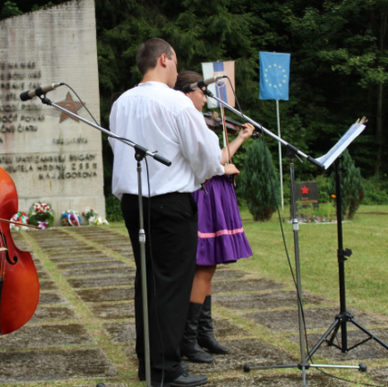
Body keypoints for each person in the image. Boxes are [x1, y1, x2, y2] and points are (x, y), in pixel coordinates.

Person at [109, 38, 235, 387]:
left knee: (146, 280)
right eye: (176, 63)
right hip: (170, 202)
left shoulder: (121, 103)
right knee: (171, 284)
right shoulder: (177, 102)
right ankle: (165, 369)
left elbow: (116, 148)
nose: (178, 71)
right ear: (164, 59)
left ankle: (147, 362)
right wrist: (199, 172)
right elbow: (207, 158)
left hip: (133, 203)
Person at [174, 71, 253, 363]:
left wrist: (241, 138)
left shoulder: (200, 121)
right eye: (202, 92)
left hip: (216, 193)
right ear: (188, 92)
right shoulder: (187, 119)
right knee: (202, 267)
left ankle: (203, 333)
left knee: (210, 268)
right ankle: (189, 338)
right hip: (204, 194)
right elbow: (203, 164)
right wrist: (222, 169)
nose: (206, 98)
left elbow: (218, 157)